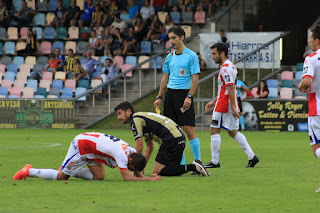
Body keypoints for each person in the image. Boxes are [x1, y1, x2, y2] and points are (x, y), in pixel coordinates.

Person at [13, 132, 162, 181]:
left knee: (99, 177)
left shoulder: (131, 152)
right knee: (61, 177)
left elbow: (134, 171)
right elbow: (127, 178)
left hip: (93, 150)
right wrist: (150, 179)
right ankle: (29, 170)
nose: (130, 170)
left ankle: (71, 169)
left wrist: (144, 176)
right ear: (129, 159)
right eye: (131, 167)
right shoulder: (121, 155)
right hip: (82, 146)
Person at [114, 102, 210, 177]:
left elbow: (139, 147)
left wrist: (135, 169)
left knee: (157, 171)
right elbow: (149, 147)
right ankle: (195, 166)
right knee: (167, 170)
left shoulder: (135, 119)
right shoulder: (142, 118)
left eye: (120, 113)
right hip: (179, 138)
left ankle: (194, 166)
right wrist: (141, 168)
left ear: (128, 112)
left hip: (171, 138)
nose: (118, 117)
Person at [153, 26, 202, 171]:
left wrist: (189, 97)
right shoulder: (170, 56)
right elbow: (165, 78)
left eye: (174, 38)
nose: (171, 41)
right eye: (170, 39)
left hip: (184, 94)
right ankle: (180, 164)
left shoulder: (191, 56)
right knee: (174, 131)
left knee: (188, 129)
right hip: (171, 95)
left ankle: (198, 162)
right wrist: (159, 96)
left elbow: (195, 79)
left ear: (182, 37)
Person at [203, 42, 259, 168]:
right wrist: (213, 101)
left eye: (214, 54)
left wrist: (233, 106)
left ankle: (215, 162)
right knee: (232, 131)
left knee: (214, 129)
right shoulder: (229, 66)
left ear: (222, 53)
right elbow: (226, 88)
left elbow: (230, 88)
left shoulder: (226, 68)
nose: (212, 57)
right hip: (223, 102)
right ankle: (252, 157)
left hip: (224, 104)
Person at [298, 25, 320, 192]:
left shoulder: (312, 59)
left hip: (317, 109)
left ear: (317, 41)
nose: (310, 43)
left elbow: (306, 82)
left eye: (311, 40)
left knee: (317, 149)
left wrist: (300, 85)